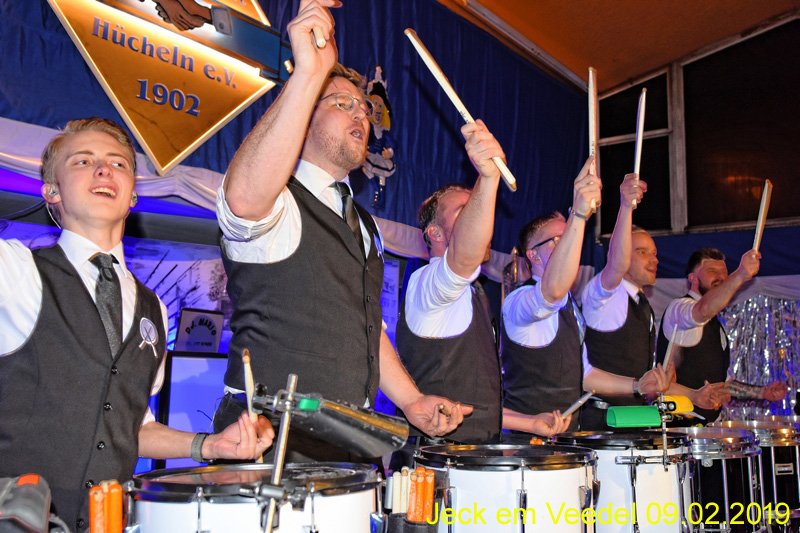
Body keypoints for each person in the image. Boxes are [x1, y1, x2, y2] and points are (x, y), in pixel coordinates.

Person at [214, 0, 470, 462]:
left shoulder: (365, 225)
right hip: (270, 442)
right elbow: (243, 201)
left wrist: (411, 400)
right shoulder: (279, 201)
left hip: (348, 442)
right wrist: (308, 75)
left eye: (364, 108)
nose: (361, 116)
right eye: (341, 103)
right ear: (305, 115)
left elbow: (366, 328)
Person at [0, 118, 273, 532]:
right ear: (52, 191)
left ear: (132, 195)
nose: (103, 170)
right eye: (82, 161)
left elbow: (132, 426)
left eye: (118, 164)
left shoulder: (154, 310)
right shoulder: (15, 271)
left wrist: (209, 444)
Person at [396, 124, 571, 448]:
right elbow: (463, 256)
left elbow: (476, 406)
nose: (481, 215)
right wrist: (487, 179)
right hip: (436, 465)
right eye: (465, 211)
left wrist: (530, 422)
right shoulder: (428, 284)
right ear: (435, 233)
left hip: (477, 458)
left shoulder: (476, 294)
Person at [502, 160, 671, 432]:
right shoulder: (519, 302)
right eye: (559, 239)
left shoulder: (569, 307)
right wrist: (578, 216)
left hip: (566, 441)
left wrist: (637, 385)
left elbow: (585, 375)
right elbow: (550, 292)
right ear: (533, 255)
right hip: (527, 446)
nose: (570, 243)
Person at [580, 175, 722, 428]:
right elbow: (616, 264)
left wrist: (693, 395)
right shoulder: (604, 295)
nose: (654, 260)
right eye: (642, 252)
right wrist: (626, 206)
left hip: (633, 422)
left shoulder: (642, 304)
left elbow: (646, 380)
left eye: (654, 254)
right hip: (602, 425)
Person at [657, 247, 786, 423]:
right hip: (678, 427)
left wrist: (763, 392)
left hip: (705, 427)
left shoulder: (716, 324)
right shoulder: (679, 309)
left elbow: (723, 384)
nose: (720, 277)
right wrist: (740, 274)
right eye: (712, 271)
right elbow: (702, 309)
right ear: (692, 278)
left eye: (724, 272)